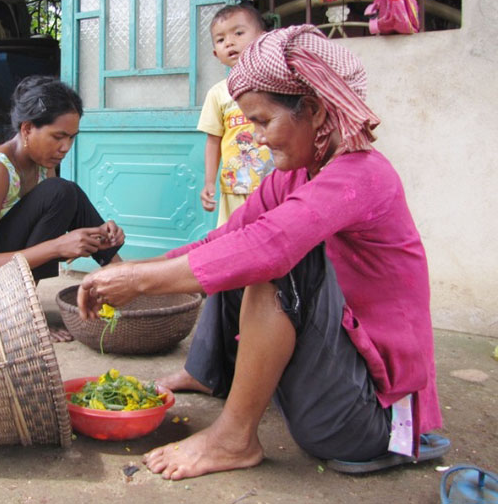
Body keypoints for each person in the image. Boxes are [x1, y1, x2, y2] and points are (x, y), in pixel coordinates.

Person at [77, 25, 446, 480]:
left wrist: (140, 284)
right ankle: (213, 377)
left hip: (373, 420)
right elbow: (223, 239)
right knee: (238, 247)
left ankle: (233, 438)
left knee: (276, 258)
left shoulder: (363, 175)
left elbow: (268, 249)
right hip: (336, 389)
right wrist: (128, 269)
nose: (254, 137)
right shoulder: (293, 176)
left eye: (262, 121)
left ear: (311, 109)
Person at [0, 75, 124, 300]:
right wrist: (58, 247)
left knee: (65, 192)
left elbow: (39, 234)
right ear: (27, 129)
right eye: (58, 137)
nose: (65, 147)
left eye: (71, 138)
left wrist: (98, 237)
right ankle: (19, 310)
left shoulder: (41, 165)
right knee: (60, 191)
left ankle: (121, 276)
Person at [198, 3, 275, 227]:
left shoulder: (278, 84)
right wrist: (209, 181)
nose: (229, 42)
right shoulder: (218, 93)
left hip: (276, 183)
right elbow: (214, 141)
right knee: (234, 241)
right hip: (235, 188)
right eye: (221, 40)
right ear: (216, 53)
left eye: (239, 33)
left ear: (263, 37)